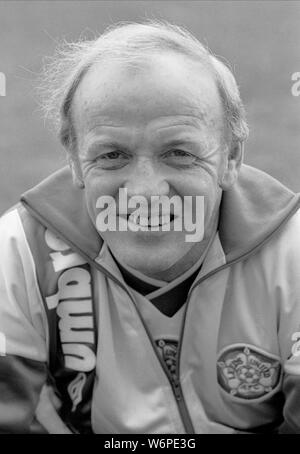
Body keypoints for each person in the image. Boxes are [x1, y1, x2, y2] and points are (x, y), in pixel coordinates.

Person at [0, 21, 299, 435]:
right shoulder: (18, 256)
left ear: (231, 157)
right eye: (112, 155)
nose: (143, 194)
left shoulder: (293, 252)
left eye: (178, 153)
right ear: (73, 158)